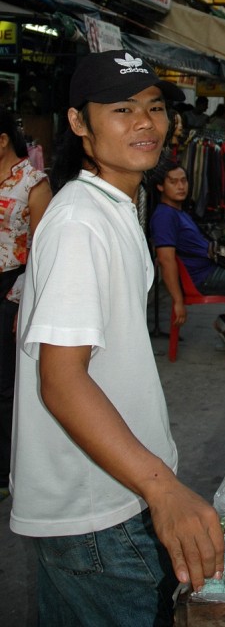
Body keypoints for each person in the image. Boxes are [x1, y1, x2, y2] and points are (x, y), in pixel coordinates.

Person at [10, 50, 225, 625]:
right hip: (101, 512)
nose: (145, 123)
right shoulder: (80, 221)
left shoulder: (112, 205)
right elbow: (60, 381)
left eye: (154, 107)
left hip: (111, 493)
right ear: (79, 122)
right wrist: (163, 489)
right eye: (122, 109)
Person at [151, 163, 225, 357]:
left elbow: (201, 247)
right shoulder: (164, 217)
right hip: (201, 278)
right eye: (173, 182)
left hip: (210, 268)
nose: (181, 186)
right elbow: (166, 260)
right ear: (160, 186)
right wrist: (178, 300)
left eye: (183, 181)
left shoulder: (179, 212)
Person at [0, 110, 51, 500]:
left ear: (3, 140)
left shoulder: (33, 183)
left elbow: (42, 249)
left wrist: (20, 300)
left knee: (5, 384)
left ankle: (6, 470)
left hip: (10, 286)